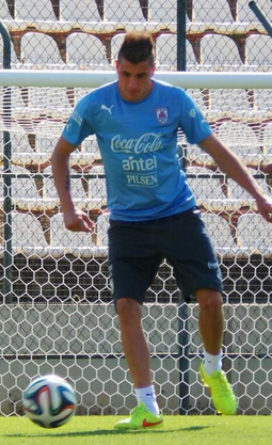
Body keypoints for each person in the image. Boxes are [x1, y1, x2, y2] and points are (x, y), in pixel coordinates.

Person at [51, 32, 272, 430]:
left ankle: (212, 368)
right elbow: (60, 154)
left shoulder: (174, 101)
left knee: (211, 299)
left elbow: (216, 149)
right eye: (125, 74)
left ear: (153, 70)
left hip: (178, 214)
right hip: (127, 225)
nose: (132, 84)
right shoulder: (96, 104)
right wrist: (68, 208)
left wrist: (257, 195)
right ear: (115, 67)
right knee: (126, 308)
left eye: (140, 75)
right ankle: (147, 406)